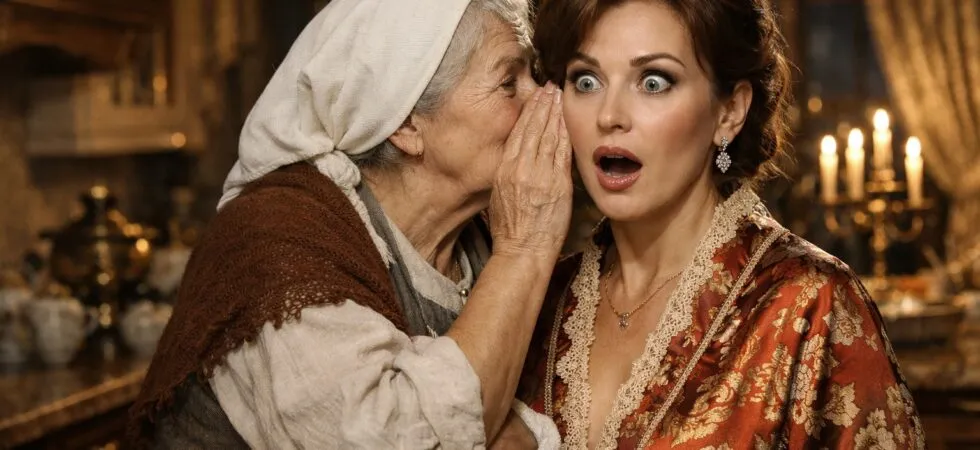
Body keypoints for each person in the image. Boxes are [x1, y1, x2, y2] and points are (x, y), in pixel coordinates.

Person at [127, 0, 573, 448]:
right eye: (508, 82)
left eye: (532, 75)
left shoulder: (475, 238)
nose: (545, 98)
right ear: (407, 124)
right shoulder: (278, 241)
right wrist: (525, 250)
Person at [518, 0, 926, 448]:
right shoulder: (540, 299)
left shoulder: (810, 302)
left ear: (729, 111)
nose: (609, 115)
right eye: (586, 81)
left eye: (653, 82)